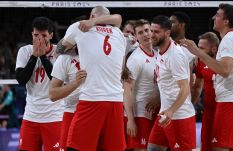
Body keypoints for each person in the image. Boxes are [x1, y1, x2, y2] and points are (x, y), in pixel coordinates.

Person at [180, 3, 233, 151]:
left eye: (217, 15)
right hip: (230, 102)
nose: (213, 17)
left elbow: (224, 70)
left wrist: (198, 52)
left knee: (219, 148)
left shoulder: (229, 40)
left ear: (226, 21)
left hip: (229, 102)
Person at [58, 6, 126, 151]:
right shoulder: (119, 34)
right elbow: (118, 18)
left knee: (75, 147)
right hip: (116, 101)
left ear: (91, 16)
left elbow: (61, 49)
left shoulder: (79, 27)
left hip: (92, 99)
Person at [148, 15, 196, 151]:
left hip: (179, 116)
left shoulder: (175, 55)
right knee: (153, 148)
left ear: (167, 33)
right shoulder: (161, 51)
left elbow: (185, 89)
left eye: (156, 32)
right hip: (165, 114)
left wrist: (171, 111)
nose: (152, 35)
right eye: (151, 31)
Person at [15, 17, 63, 151]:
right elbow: (21, 80)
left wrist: (42, 56)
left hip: (54, 116)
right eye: (36, 35)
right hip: (31, 116)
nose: (39, 39)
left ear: (51, 35)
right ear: (32, 34)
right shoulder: (24, 51)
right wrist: (34, 56)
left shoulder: (59, 53)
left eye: (44, 35)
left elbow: (56, 81)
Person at [123, 19, 157, 150]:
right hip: (139, 113)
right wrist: (131, 120)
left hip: (154, 111)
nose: (145, 34)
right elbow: (127, 90)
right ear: (136, 37)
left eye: (147, 30)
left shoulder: (157, 54)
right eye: (141, 32)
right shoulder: (135, 59)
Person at [49, 46, 87, 150]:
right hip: (71, 112)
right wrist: (76, 83)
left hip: (94, 112)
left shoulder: (100, 56)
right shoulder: (65, 58)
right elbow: (52, 94)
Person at [191, 32, 219, 151]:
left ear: (213, 49)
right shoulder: (201, 62)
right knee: (206, 146)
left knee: (224, 146)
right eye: (198, 47)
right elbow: (197, 86)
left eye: (202, 48)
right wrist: (190, 104)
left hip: (224, 110)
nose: (198, 50)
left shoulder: (226, 61)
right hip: (208, 112)